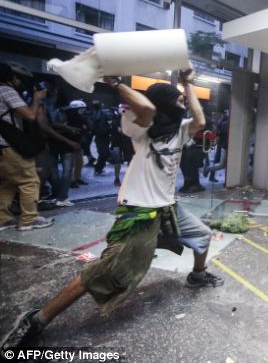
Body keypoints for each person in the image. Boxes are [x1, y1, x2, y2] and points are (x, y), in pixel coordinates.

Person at [1, 66, 224, 348]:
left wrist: (187, 85)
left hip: (167, 207)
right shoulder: (140, 128)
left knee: (202, 236)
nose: (183, 105)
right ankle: (37, 320)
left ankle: (198, 275)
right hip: (139, 212)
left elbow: (200, 120)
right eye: (178, 101)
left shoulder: (179, 132)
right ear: (164, 104)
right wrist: (116, 83)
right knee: (102, 272)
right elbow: (145, 106)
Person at [0, 62, 54, 231]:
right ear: (11, 77)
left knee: (9, 182)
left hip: (0, 147)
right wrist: (37, 99)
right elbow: (30, 115)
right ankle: (29, 219)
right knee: (29, 180)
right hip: (8, 144)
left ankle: (2, 218)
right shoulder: (5, 90)